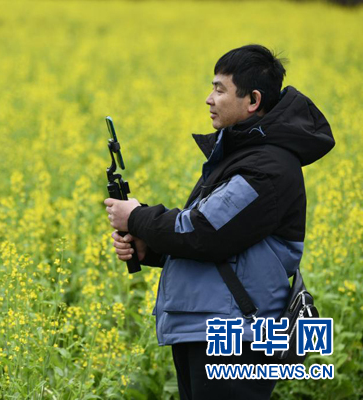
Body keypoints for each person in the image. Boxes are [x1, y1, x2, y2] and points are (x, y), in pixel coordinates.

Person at [104, 44, 335, 400]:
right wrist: (149, 247)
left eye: (219, 89)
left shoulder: (266, 168)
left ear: (253, 100)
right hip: (207, 326)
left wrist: (136, 216)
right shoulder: (240, 156)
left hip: (235, 335)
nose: (209, 99)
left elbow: (203, 231)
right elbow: (223, 242)